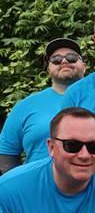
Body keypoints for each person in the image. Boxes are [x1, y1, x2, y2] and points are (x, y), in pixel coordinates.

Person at [0, 38, 85, 174]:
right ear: (48, 68)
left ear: (84, 65)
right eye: (56, 59)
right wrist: (22, 186)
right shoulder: (26, 106)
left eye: (72, 57)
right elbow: (6, 154)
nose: (64, 61)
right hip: (38, 191)